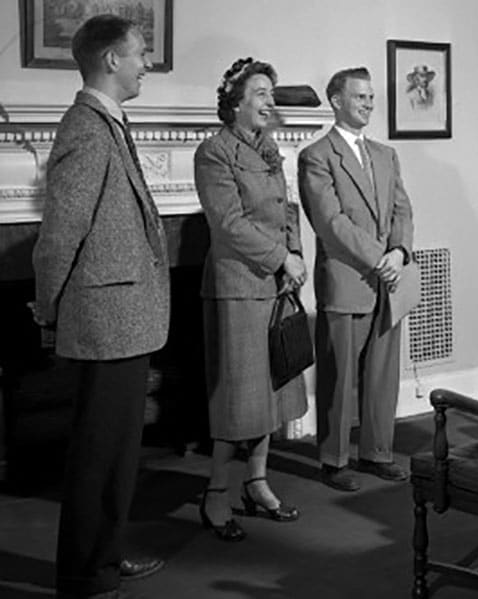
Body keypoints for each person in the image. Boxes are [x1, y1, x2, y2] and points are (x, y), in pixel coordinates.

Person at [30, 14, 169, 598]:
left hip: (125, 322)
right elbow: (61, 233)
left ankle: (105, 559)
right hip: (106, 321)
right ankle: (85, 575)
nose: (146, 63)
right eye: (139, 53)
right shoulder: (86, 128)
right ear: (111, 59)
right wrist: (46, 308)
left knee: (116, 455)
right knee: (97, 456)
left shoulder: (107, 122)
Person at [193, 57, 307, 541]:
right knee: (237, 399)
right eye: (260, 93)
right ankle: (216, 493)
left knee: (270, 394)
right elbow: (229, 223)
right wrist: (283, 257)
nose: (269, 101)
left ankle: (256, 482)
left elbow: (287, 209)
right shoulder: (214, 152)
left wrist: (295, 257)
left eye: (271, 93)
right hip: (237, 288)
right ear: (235, 103)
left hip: (276, 283)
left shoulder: (269, 149)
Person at [298, 67, 414, 493]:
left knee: (383, 375)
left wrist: (400, 252)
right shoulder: (317, 156)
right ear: (336, 101)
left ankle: (377, 452)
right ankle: (334, 459)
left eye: (370, 97)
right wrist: (380, 256)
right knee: (340, 376)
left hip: (390, 278)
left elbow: (403, 210)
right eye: (360, 97)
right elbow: (331, 223)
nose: (368, 104)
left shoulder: (385, 155)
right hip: (347, 278)